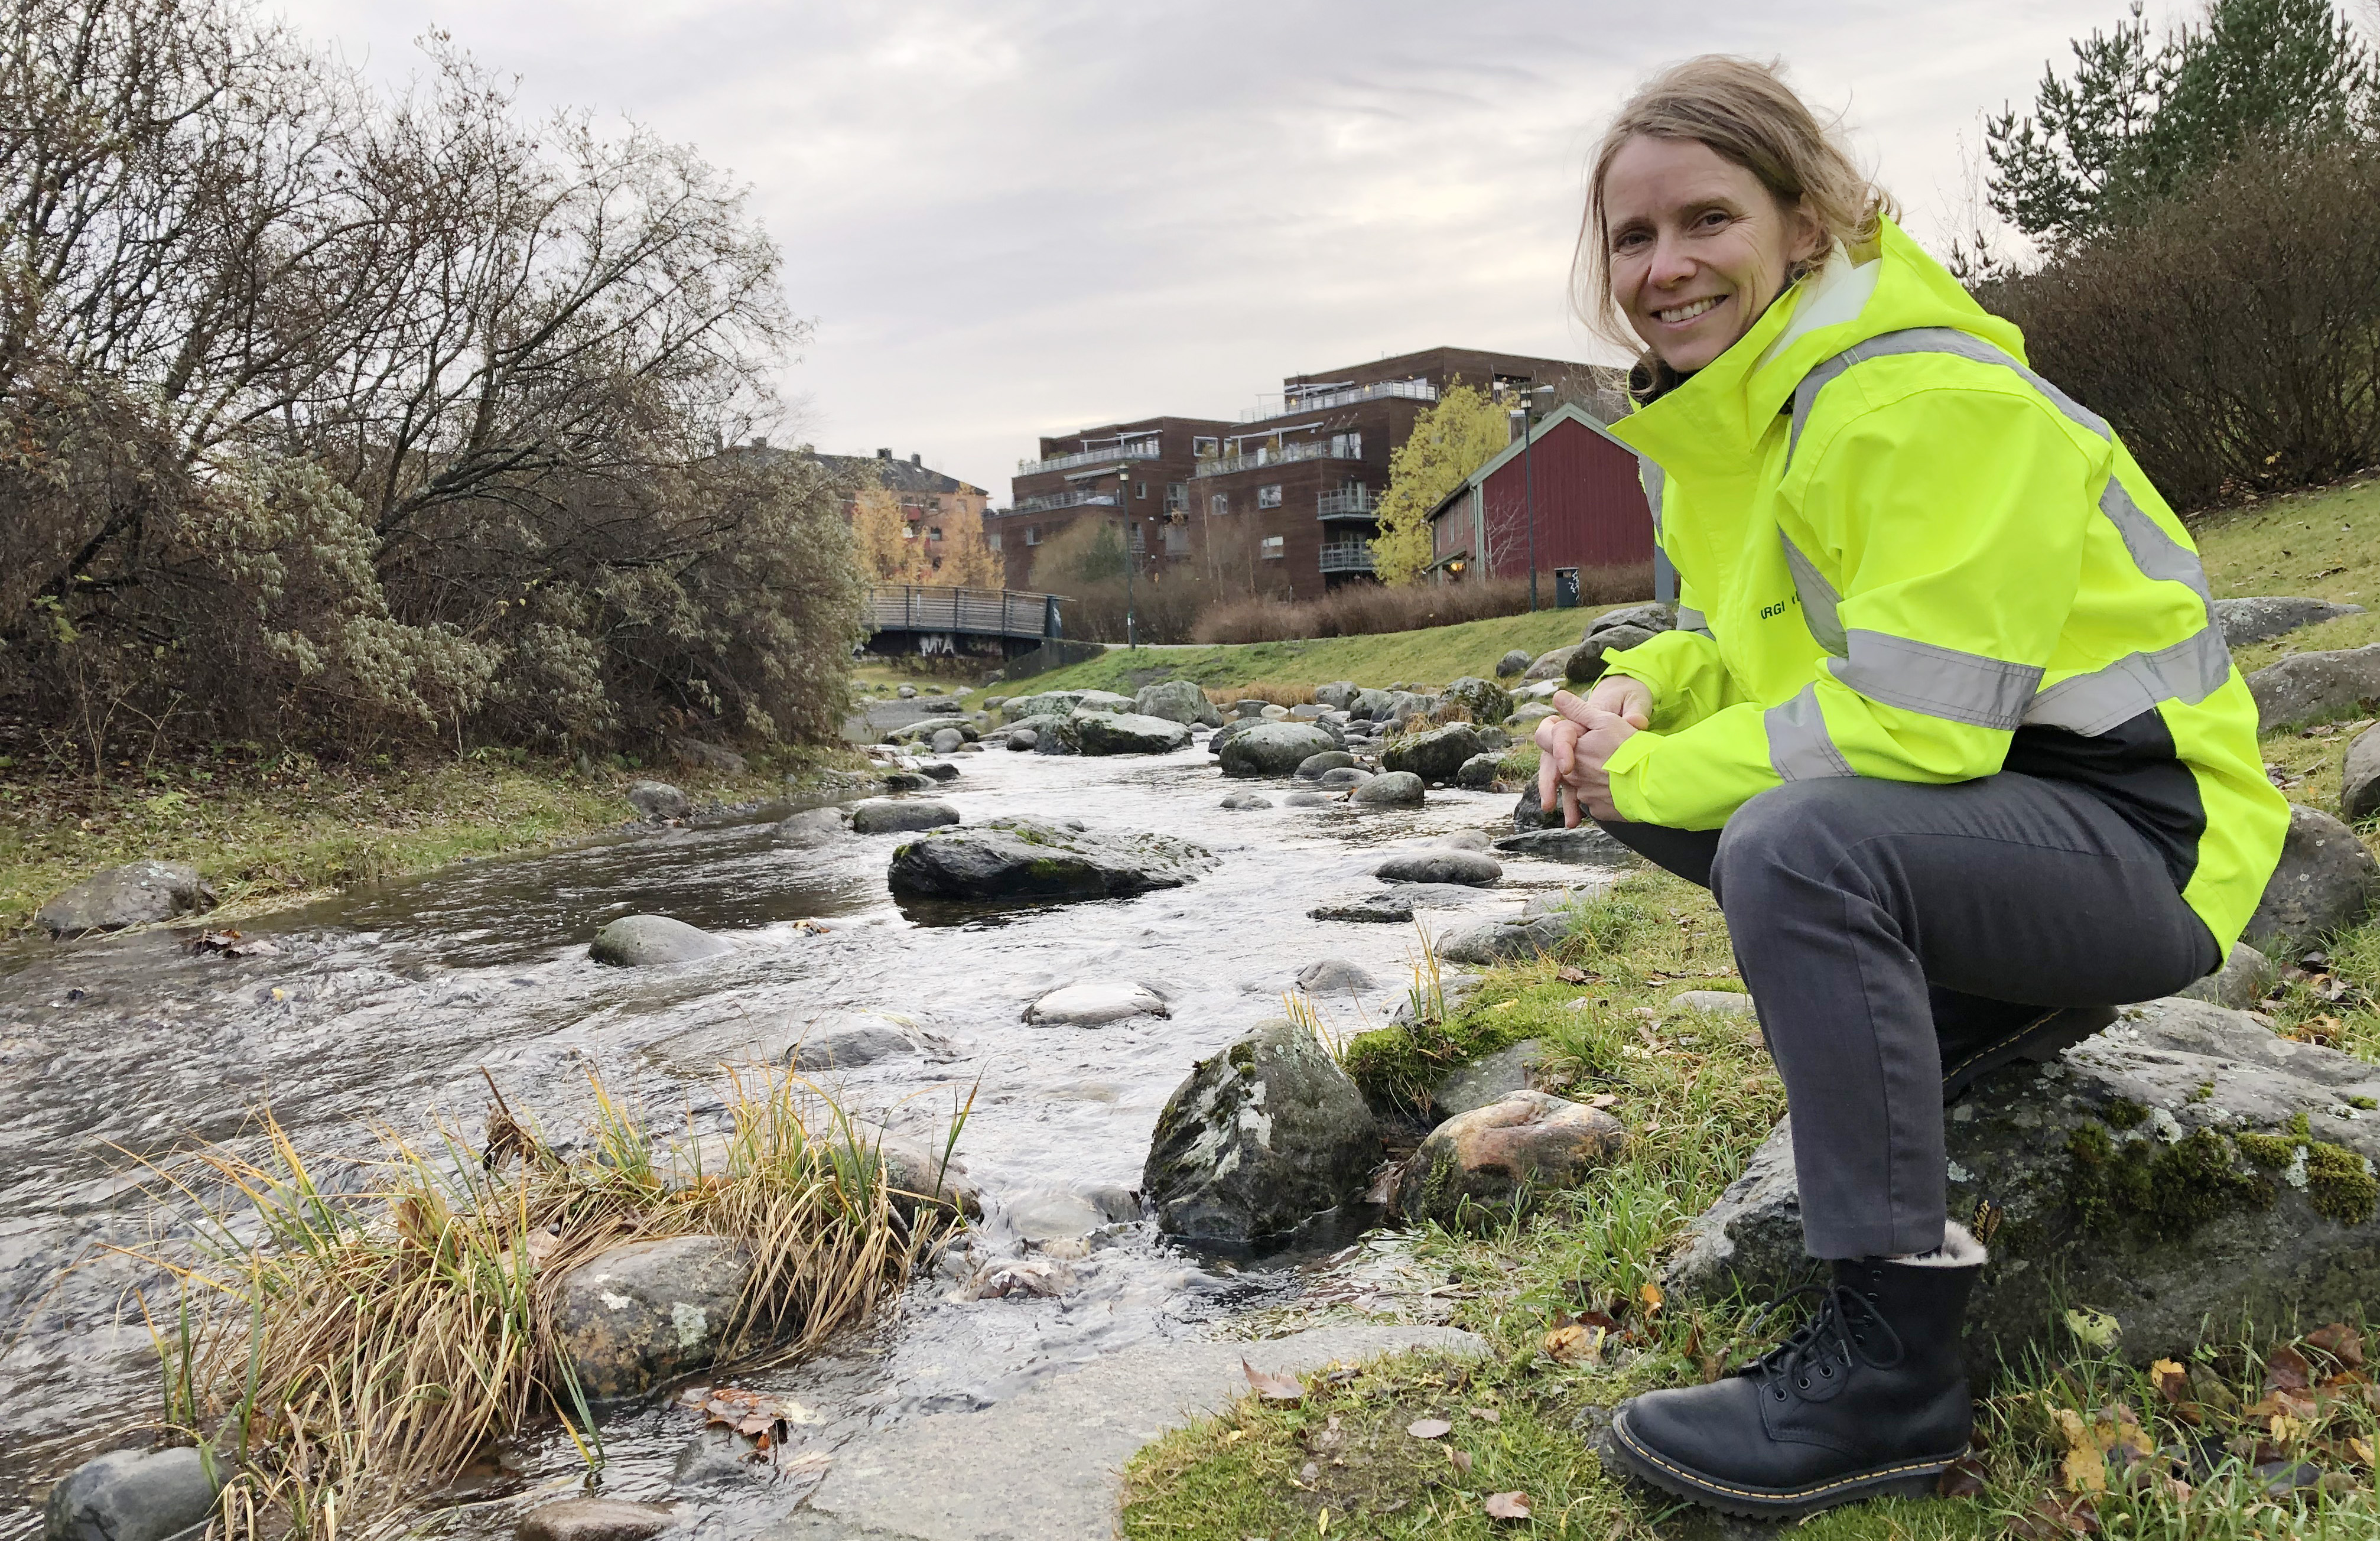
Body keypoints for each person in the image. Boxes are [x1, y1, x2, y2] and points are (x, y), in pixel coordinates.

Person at [1538, 56, 2288, 1520]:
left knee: (1794, 846)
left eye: (1706, 218)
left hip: (2148, 838)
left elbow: (1915, 722)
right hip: (2017, 824)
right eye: (1632, 237)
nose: (1665, 266)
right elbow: (1752, 655)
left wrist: (1654, 772)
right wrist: (1637, 701)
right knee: (1725, 803)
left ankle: (1890, 1375)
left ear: (1804, 223)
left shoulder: (1916, 395)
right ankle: (1974, 1010)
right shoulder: (1732, 418)